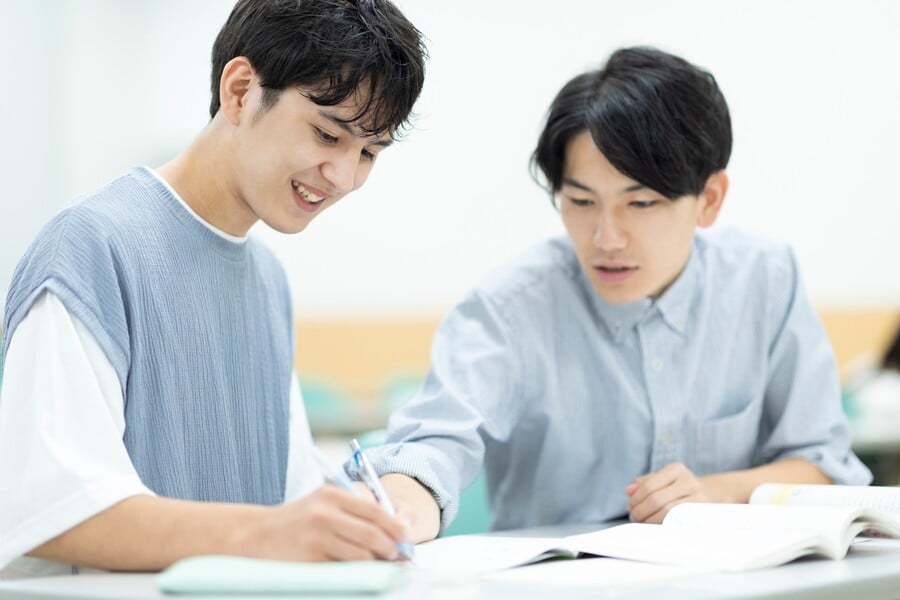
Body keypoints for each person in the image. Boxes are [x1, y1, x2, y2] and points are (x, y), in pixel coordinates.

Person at [354, 46, 872, 542]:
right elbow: (434, 442)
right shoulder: (511, 307)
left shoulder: (764, 281)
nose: (606, 238)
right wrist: (401, 506)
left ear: (709, 199)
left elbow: (823, 464)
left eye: (640, 204)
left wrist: (718, 491)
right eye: (581, 201)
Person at [0, 0, 426, 578]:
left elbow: (293, 497)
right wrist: (269, 533)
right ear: (241, 91)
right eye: (328, 134)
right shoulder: (92, 247)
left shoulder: (267, 281)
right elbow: (54, 511)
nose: (345, 177)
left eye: (369, 153)